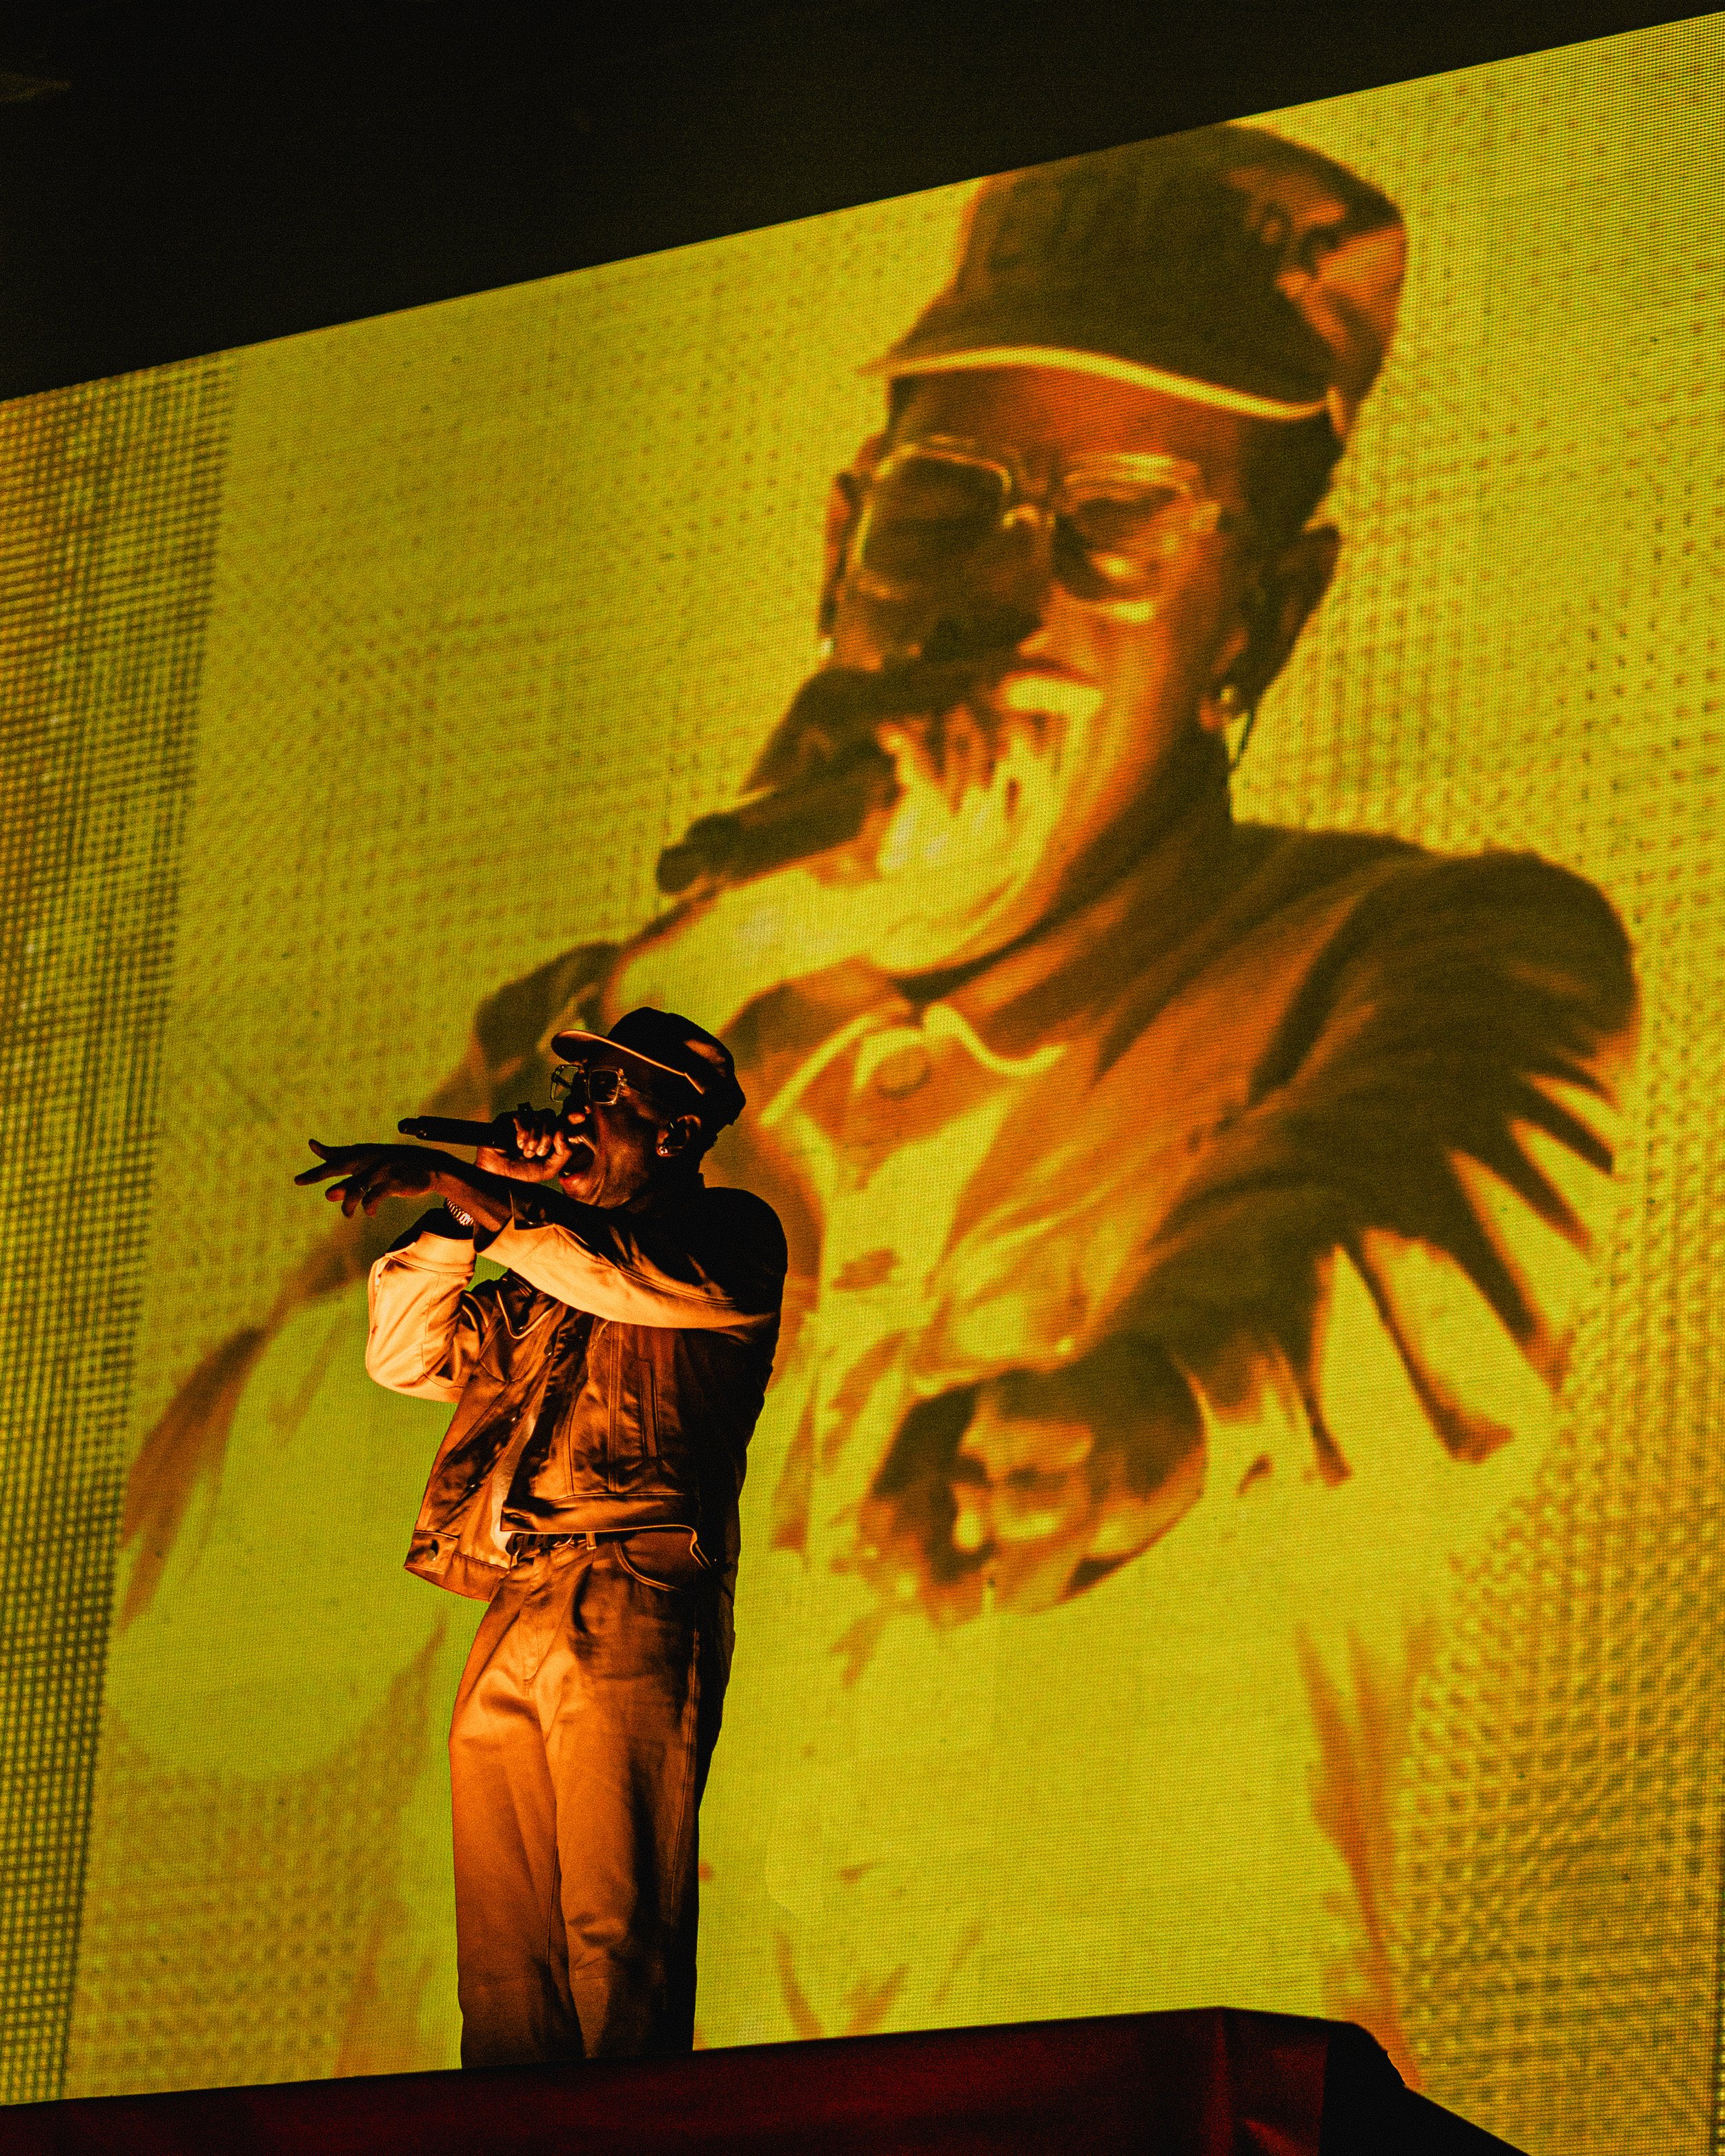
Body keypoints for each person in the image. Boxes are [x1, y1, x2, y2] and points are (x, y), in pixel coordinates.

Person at [114, 123, 1637, 2072]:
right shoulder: (600, 1038)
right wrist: (689, 998)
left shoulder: (1412, 957)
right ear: (843, 542)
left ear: (1261, 609)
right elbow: (212, 1661)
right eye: (945, 504)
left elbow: (1388, 1254)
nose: (997, 597)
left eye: (1112, 521)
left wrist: (1134, 1415)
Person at [293, 1009, 787, 2063]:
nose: (579, 1112)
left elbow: (615, 1273)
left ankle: (634, 2137)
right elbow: (403, 1352)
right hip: (517, 1594)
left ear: (678, 1129)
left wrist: (475, 1186)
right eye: (580, 1090)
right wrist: (465, 1212)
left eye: (612, 1094)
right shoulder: (529, 1274)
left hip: (636, 1584)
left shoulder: (734, 1236)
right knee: (506, 1960)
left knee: (618, 1928)